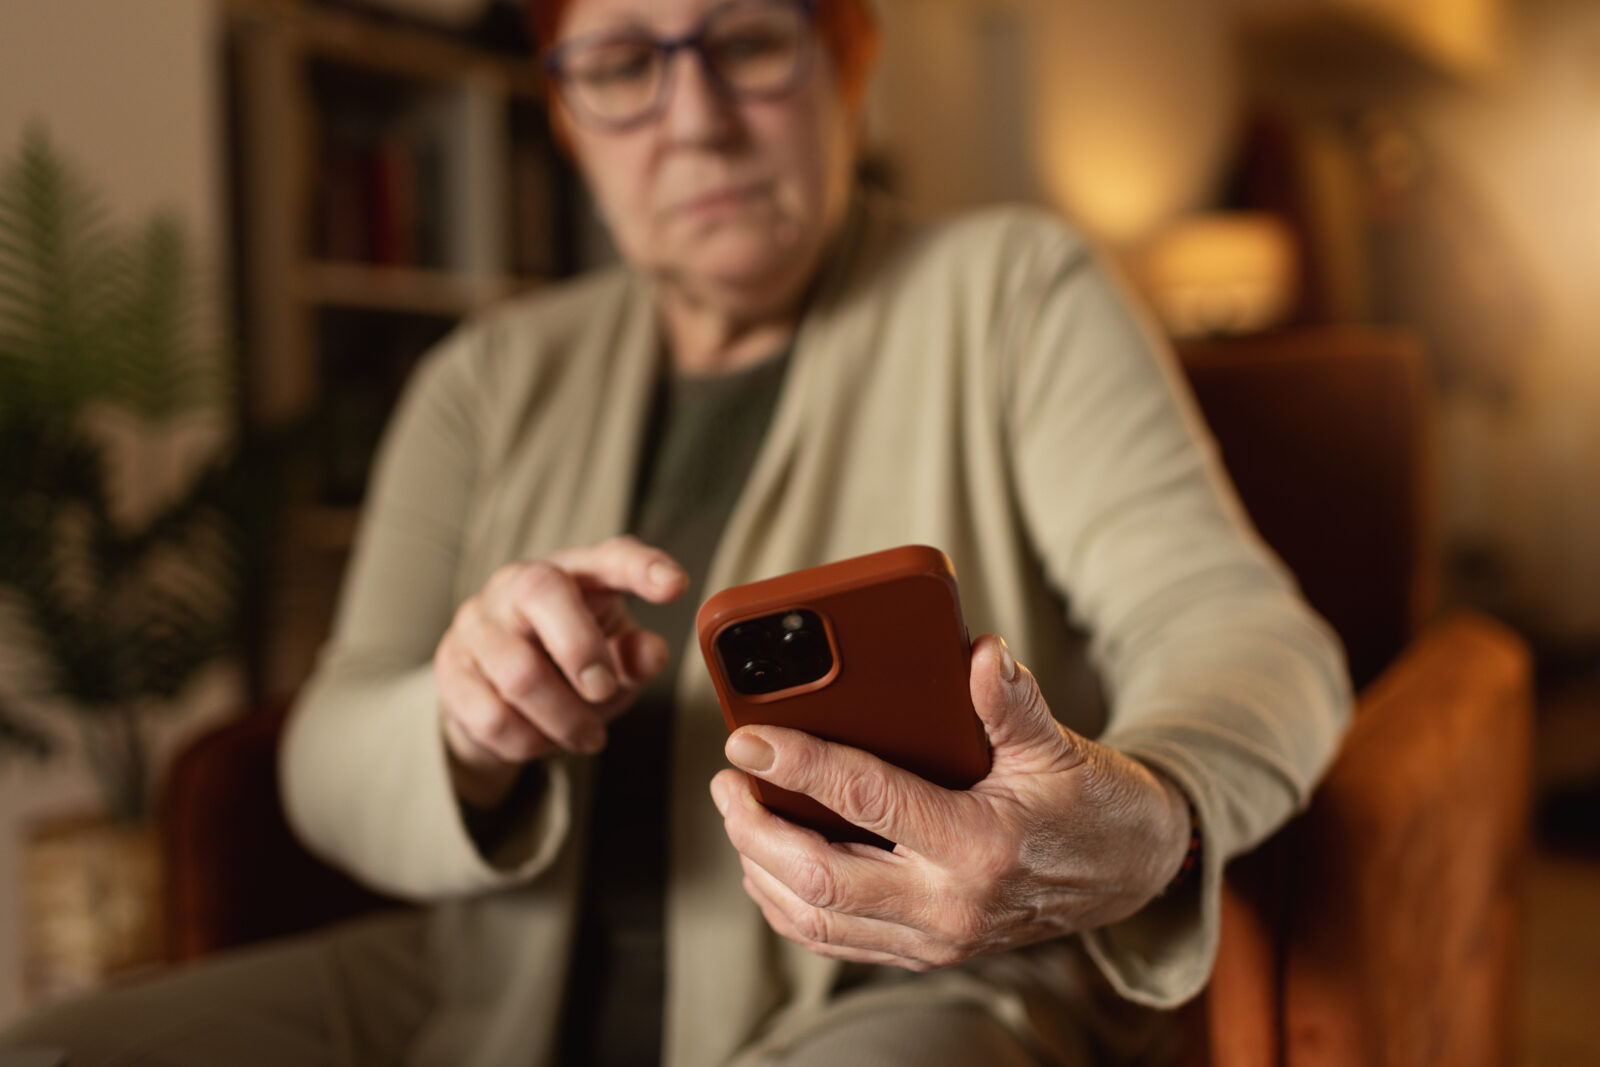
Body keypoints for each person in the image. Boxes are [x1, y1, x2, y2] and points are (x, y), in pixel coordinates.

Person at [0, 0, 1351, 1064]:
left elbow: (1242, 630)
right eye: (624, 61)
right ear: (570, 124)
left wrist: (1154, 816)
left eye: (751, 41)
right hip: (477, 994)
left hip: (904, 994)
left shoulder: (1017, 291)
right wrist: (461, 725)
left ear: (845, 62)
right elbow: (324, 751)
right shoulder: (480, 379)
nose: (693, 118)